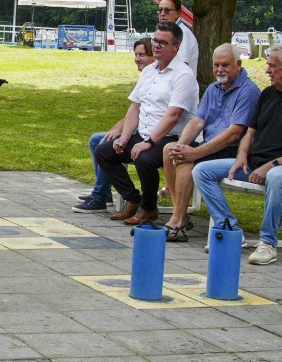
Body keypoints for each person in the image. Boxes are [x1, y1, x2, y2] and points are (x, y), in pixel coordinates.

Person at [194, 43, 282, 265]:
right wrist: (242, 156)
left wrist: (273, 164)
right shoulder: (268, 94)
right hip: (253, 165)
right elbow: (250, 133)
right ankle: (231, 228)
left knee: (275, 176)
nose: (267, 71)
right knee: (201, 170)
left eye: (272, 66)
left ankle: (267, 244)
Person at [95, 21, 198, 226]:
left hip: (172, 138)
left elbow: (173, 116)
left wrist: (149, 141)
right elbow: (135, 107)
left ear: (176, 47)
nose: (157, 46)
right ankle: (133, 199)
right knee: (104, 151)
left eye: (163, 43)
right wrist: (124, 138)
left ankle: (149, 208)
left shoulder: (183, 75)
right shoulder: (150, 70)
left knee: (144, 157)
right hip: (143, 133)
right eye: (155, 40)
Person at [160, 43, 261, 241]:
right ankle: (179, 213)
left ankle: (178, 221)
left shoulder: (247, 91)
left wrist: (195, 153)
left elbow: (234, 133)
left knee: (187, 160)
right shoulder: (214, 88)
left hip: (233, 152)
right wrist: (182, 145)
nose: (220, 70)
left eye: (225, 65)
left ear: (238, 64)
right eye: (216, 65)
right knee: (170, 149)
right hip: (213, 147)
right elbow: (198, 121)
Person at [73, 37, 155, 212]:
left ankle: (100, 197)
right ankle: (104, 192)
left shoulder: (160, 78)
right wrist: (117, 129)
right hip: (138, 131)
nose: (137, 58)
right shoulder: (147, 76)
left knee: (103, 144)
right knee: (97, 139)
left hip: (150, 136)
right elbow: (134, 109)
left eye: (142, 54)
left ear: (153, 56)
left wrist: (121, 132)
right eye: (136, 54)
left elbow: (146, 113)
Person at [157, 0, 198, 74]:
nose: (162, 14)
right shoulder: (169, 33)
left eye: (167, 10)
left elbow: (181, 67)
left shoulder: (183, 33)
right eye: (160, 10)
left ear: (178, 13)